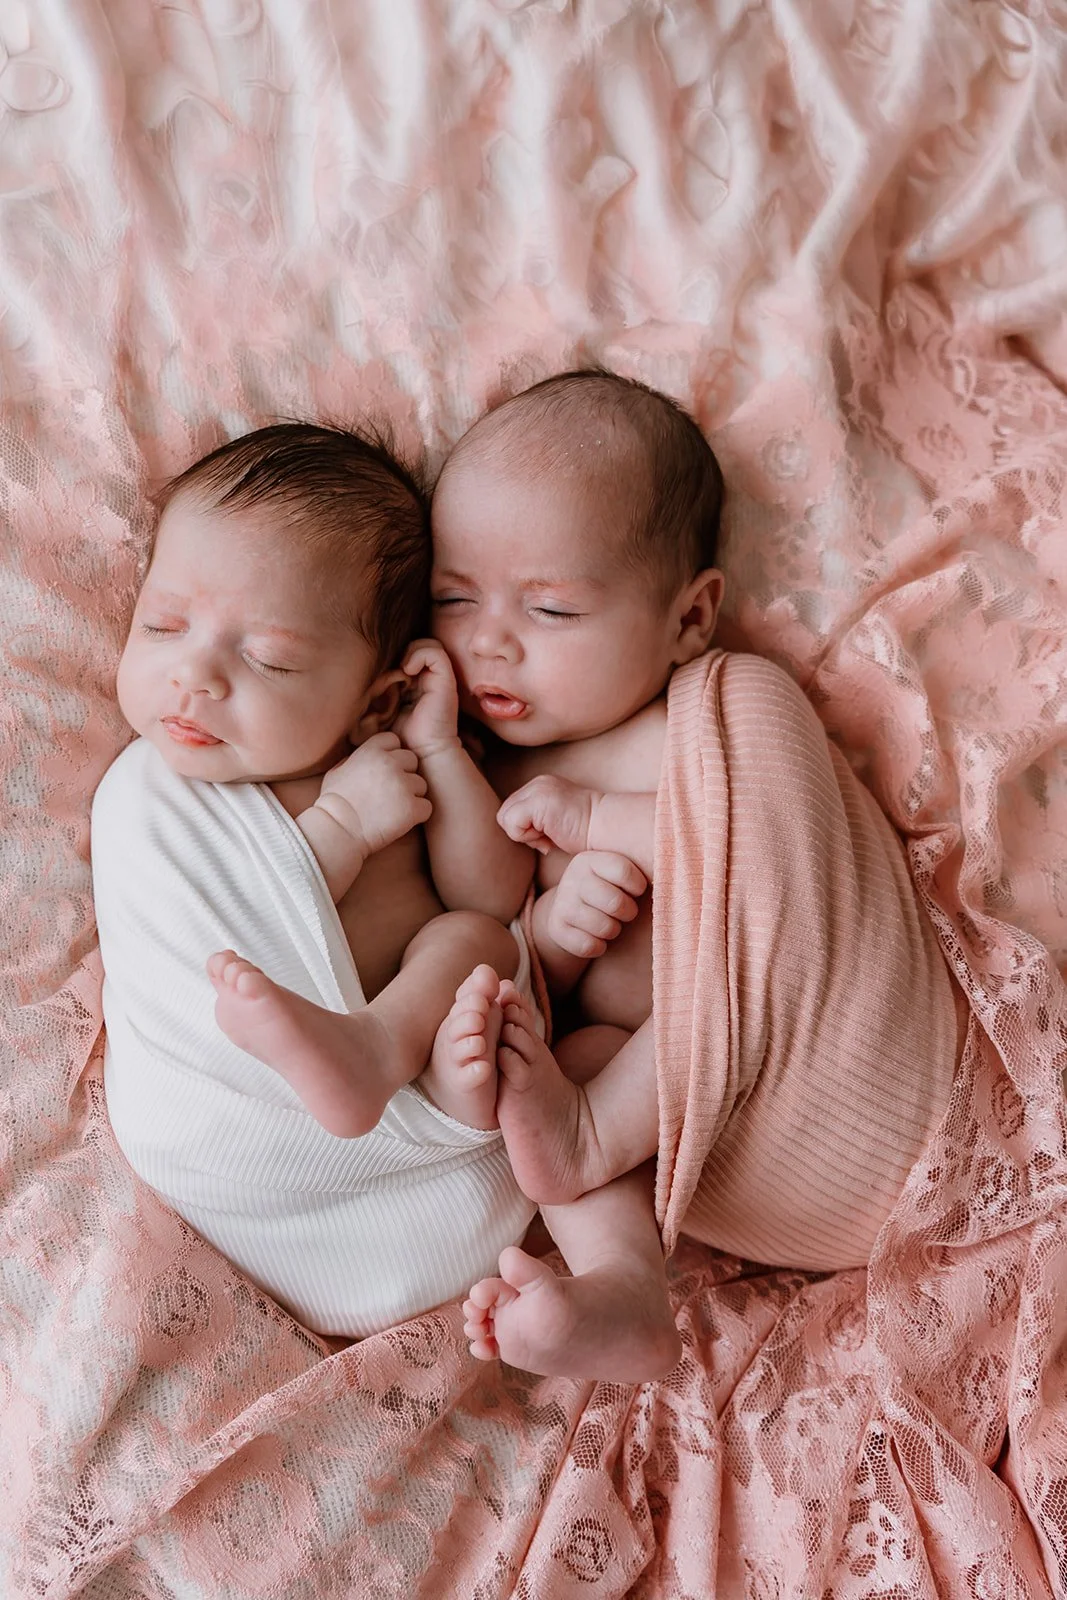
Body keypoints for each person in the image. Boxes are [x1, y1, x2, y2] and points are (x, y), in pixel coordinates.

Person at [91, 422, 540, 1339]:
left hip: (404, 1108)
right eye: (162, 625)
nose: (194, 675)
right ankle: (377, 1057)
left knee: (477, 945)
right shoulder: (157, 796)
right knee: (472, 950)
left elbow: (490, 896)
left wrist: (437, 750)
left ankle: (399, 1062)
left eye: (271, 659)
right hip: (229, 1122)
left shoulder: (389, 754)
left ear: (372, 696)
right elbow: (224, 920)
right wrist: (337, 829)